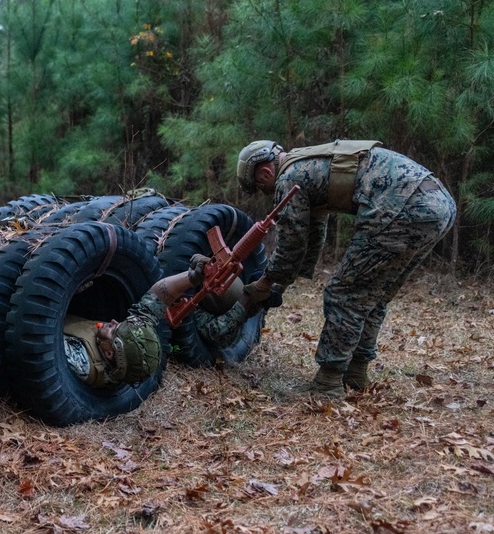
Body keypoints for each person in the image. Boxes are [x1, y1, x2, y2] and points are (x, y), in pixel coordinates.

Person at [235, 139, 456, 398]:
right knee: (374, 294)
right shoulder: (310, 164)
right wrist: (281, 284)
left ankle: (328, 384)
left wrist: (263, 284)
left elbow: (291, 245)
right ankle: (356, 373)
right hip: (438, 205)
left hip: (404, 207)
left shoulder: (288, 179)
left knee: (344, 293)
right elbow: (314, 233)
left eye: (261, 188)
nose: (265, 192)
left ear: (265, 173)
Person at [63, 256, 261, 386]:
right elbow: (155, 299)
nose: (113, 321)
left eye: (114, 329)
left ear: (108, 352)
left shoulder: (81, 361)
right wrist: (193, 277)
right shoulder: (127, 343)